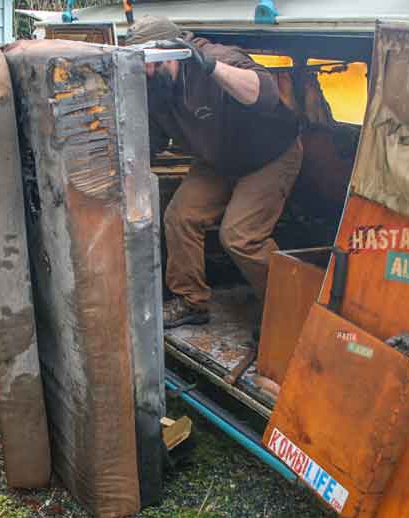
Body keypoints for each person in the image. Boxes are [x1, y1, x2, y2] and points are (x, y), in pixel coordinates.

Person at [126, 16, 302, 329]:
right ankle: (191, 301)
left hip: (270, 156)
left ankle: (287, 311)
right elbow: (153, 140)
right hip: (219, 159)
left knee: (240, 237)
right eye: (142, 64)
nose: (147, 71)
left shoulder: (217, 58)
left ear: (174, 52)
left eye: (153, 62)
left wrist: (210, 67)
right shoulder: (155, 84)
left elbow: (264, 94)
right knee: (179, 217)